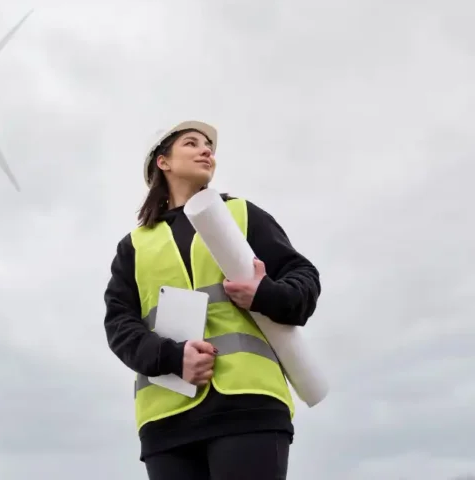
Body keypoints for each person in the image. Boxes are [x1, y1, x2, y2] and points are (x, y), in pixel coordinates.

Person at [103, 120, 321, 480]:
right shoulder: (134, 246)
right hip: (167, 421)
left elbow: (305, 281)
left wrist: (264, 294)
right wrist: (172, 358)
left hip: (248, 405)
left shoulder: (242, 215)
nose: (207, 151)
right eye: (192, 143)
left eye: (209, 146)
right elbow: (119, 325)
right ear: (163, 162)